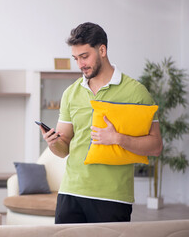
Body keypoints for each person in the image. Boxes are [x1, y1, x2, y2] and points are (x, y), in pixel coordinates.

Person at [40, 22, 163, 224]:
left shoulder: (136, 92)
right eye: (76, 58)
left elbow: (156, 146)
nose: (80, 64)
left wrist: (117, 138)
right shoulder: (71, 93)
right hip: (71, 192)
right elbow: (64, 149)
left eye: (85, 56)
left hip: (112, 197)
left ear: (102, 50)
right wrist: (53, 142)